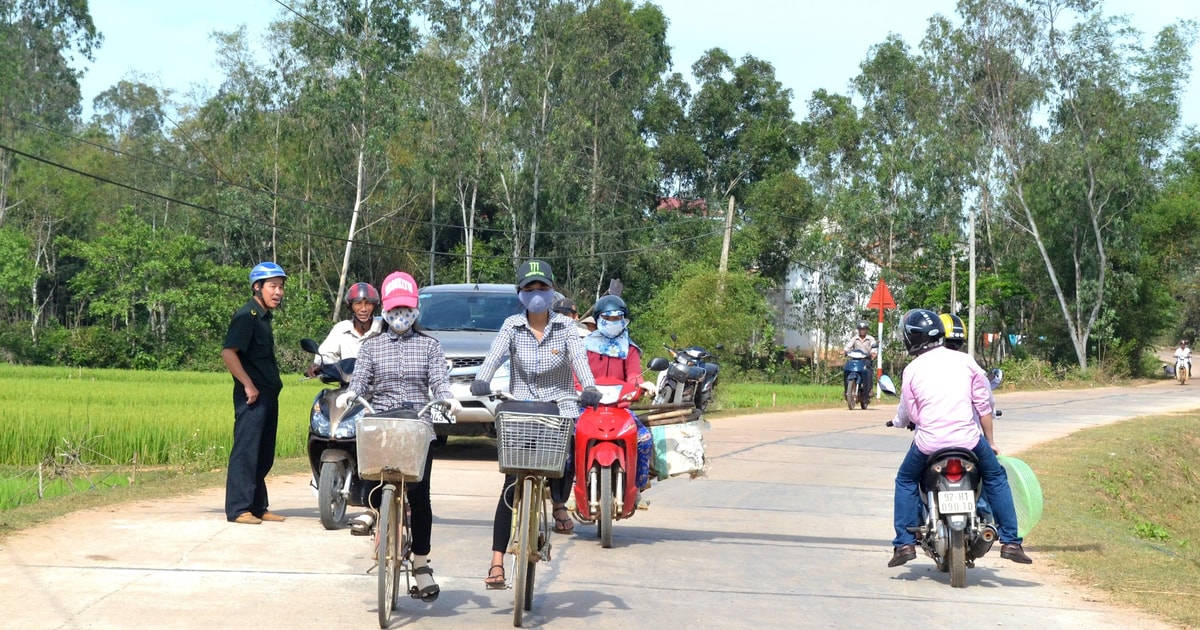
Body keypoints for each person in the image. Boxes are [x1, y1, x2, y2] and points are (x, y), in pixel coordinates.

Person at [468, 259, 600, 589]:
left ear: (552, 291)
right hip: (520, 409)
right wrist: (481, 380)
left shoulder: (568, 328)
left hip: (558, 409)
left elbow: (580, 364)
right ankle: (497, 561)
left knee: (563, 462)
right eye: (530, 288)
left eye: (542, 288)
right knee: (511, 483)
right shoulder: (511, 326)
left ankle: (558, 505)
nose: (537, 294)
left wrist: (590, 388)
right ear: (520, 293)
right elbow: (493, 357)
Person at [335, 270, 463, 602]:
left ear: (416, 310)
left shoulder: (430, 345)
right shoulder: (372, 346)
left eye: (406, 309)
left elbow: (438, 379)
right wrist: (351, 393)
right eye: (394, 309)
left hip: (418, 426)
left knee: (421, 497)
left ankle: (421, 564)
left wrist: (447, 396)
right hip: (383, 424)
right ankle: (381, 518)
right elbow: (361, 378)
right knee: (374, 486)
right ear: (385, 310)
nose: (400, 315)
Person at [888, 309, 1032, 567]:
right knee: (996, 477)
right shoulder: (965, 362)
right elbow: (984, 404)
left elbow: (910, 412)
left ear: (912, 339)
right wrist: (989, 440)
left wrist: (900, 422)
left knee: (906, 480)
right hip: (969, 441)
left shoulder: (912, 370)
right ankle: (1011, 542)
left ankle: (904, 544)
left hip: (929, 444)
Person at [221, 262, 288, 525]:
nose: (278, 292)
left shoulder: (263, 318)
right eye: (272, 286)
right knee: (246, 452)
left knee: (263, 453)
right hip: (252, 397)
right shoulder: (246, 316)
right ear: (257, 287)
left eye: (281, 287)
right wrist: (247, 384)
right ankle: (238, 509)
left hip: (268, 396)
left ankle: (258, 506)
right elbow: (229, 352)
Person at [581, 294, 657, 497]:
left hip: (619, 408)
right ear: (597, 320)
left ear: (624, 320)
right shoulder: (583, 347)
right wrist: (577, 388)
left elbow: (634, 374)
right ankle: (571, 488)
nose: (613, 323)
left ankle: (637, 487)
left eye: (618, 318)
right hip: (587, 407)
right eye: (608, 318)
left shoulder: (629, 349)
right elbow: (576, 374)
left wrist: (642, 385)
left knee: (644, 439)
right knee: (570, 440)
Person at [305, 282, 385, 377]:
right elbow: (326, 355)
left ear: (374, 306)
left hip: (378, 387)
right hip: (347, 387)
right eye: (358, 303)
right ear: (350, 306)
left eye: (368, 303)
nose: (363, 308)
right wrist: (319, 365)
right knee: (326, 393)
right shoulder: (341, 329)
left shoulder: (383, 327)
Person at [845, 320, 878, 394]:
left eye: (863, 329)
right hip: (855, 360)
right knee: (846, 369)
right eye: (860, 329)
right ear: (858, 330)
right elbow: (848, 346)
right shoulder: (855, 338)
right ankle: (846, 389)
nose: (862, 331)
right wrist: (844, 351)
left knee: (868, 370)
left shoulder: (870, 339)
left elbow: (874, 347)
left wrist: (873, 353)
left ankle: (869, 389)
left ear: (866, 330)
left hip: (866, 359)